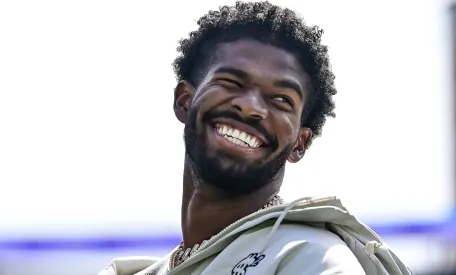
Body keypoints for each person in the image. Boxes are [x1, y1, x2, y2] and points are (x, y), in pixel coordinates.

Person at [99, 1, 413, 274]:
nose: (250, 107)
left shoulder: (313, 259)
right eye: (231, 81)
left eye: (281, 100)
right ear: (184, 101)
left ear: (299, 143)